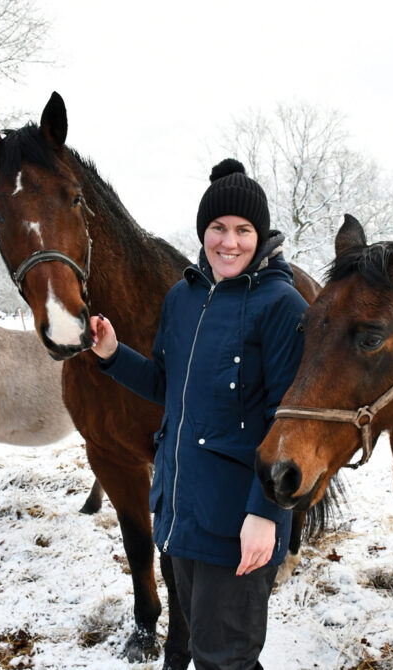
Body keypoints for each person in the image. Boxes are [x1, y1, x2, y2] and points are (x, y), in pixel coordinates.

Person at [90, 158, 307, 670]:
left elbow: (289, 424)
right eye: (217, 228)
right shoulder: (182, 298)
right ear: (202, 231)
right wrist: (114, 355)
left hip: (239, 522)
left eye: (243, 230)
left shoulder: (283, 306)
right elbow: (169, 388)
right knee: (209, 651)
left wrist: (266, 513)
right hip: (178, 513)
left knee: (225, 657)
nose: (228, 242)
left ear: (261, 235)